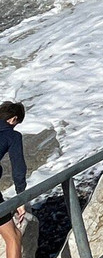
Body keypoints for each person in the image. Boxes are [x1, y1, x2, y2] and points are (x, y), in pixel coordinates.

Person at [0, 101, 27, 258]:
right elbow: (18, 168)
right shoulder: (12, 135)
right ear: (13, 119)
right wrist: (20, 198)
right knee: (13, 237)